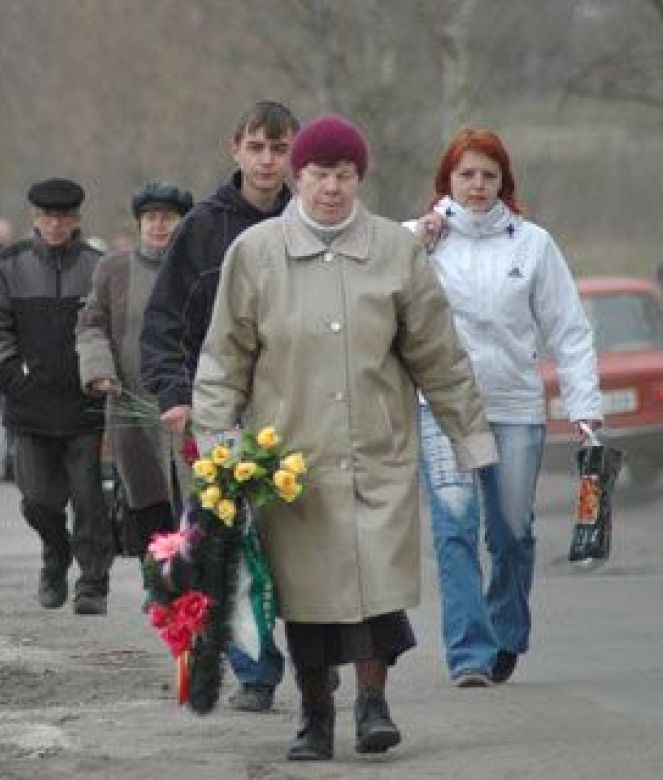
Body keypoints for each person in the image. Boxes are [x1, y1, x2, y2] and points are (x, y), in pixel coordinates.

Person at [193, 115, 498, 761]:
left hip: (376, 453)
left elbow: (438, 355)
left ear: (360, 178)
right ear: (298, 176)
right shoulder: (255, 253)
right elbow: (225, 357)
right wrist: (217, 444)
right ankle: (314, 716)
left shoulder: (395, 251)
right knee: (306, 601)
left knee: (375, 588)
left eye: (344, 175)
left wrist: (470, 440)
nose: (331, 188)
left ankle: (373, 704)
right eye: (319, 174)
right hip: (289, 463)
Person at [408, 127, 602, 689]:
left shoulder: (533, 244)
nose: (477, 184)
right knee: (454, 527)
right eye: (466, 174)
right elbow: (373, 268)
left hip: (516, 405)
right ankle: (469, 653)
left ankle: (506, 631)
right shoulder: (421, 241)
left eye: (488, 175)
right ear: (447, 180)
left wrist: (584, 405)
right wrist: (416, 236)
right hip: (445, 406)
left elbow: (569, 330)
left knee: (512, 532)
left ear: (504, 182)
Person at [141, 100, 299, 712]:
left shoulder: (309, 222)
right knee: (230, 541)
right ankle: (255, 669)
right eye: (256, 147)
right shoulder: (202, 228)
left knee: (296, 543)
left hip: (293, 408)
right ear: (236, 149)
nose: (267, 161)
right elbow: (165, 321)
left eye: (279, 149)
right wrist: (174, 396)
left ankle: (315, 655)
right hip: (216, 410)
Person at [0, 177, 111, 615]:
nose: (55, 225)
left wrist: (102, 379)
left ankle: (93, 582)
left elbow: (111, 328)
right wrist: (14, 380)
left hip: (85, 406)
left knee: (89, 500)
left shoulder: (98, 267)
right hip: (30, 407)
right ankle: (56, 552)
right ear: (34, 217)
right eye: (47, 217)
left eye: (63, 217)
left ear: (76, 219)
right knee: (38, 500)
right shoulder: (8, 265)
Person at [76, 181, 194, 556]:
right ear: (139, 224)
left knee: (195, 504)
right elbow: (91, 325)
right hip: (132, 406)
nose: (159, 225)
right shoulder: (115, 269)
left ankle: (194, 583)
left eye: (168, 218)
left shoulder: (199, 268)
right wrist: (99, 369)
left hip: (189, 405)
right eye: (151, 218)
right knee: (147, 502)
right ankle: (157, 581)